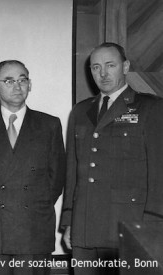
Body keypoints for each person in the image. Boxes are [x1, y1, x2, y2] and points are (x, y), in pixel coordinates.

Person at [61, 42, 163, 274]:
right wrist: (69, 222)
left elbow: (160, 172)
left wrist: (153, 226)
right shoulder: (80, 111)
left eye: (110, 65)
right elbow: (72, 171)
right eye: (96, 67)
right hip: (85, 227)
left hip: (129, 226)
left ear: (125, 66)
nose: (103, 73)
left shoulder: (150, 108)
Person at [0, 60, 66, 275]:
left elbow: (56, 178)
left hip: (33, 229)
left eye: (23, 80)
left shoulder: (49, 125)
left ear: (30, 84)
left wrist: (33, 205)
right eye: (9, 81)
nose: (17, 86)